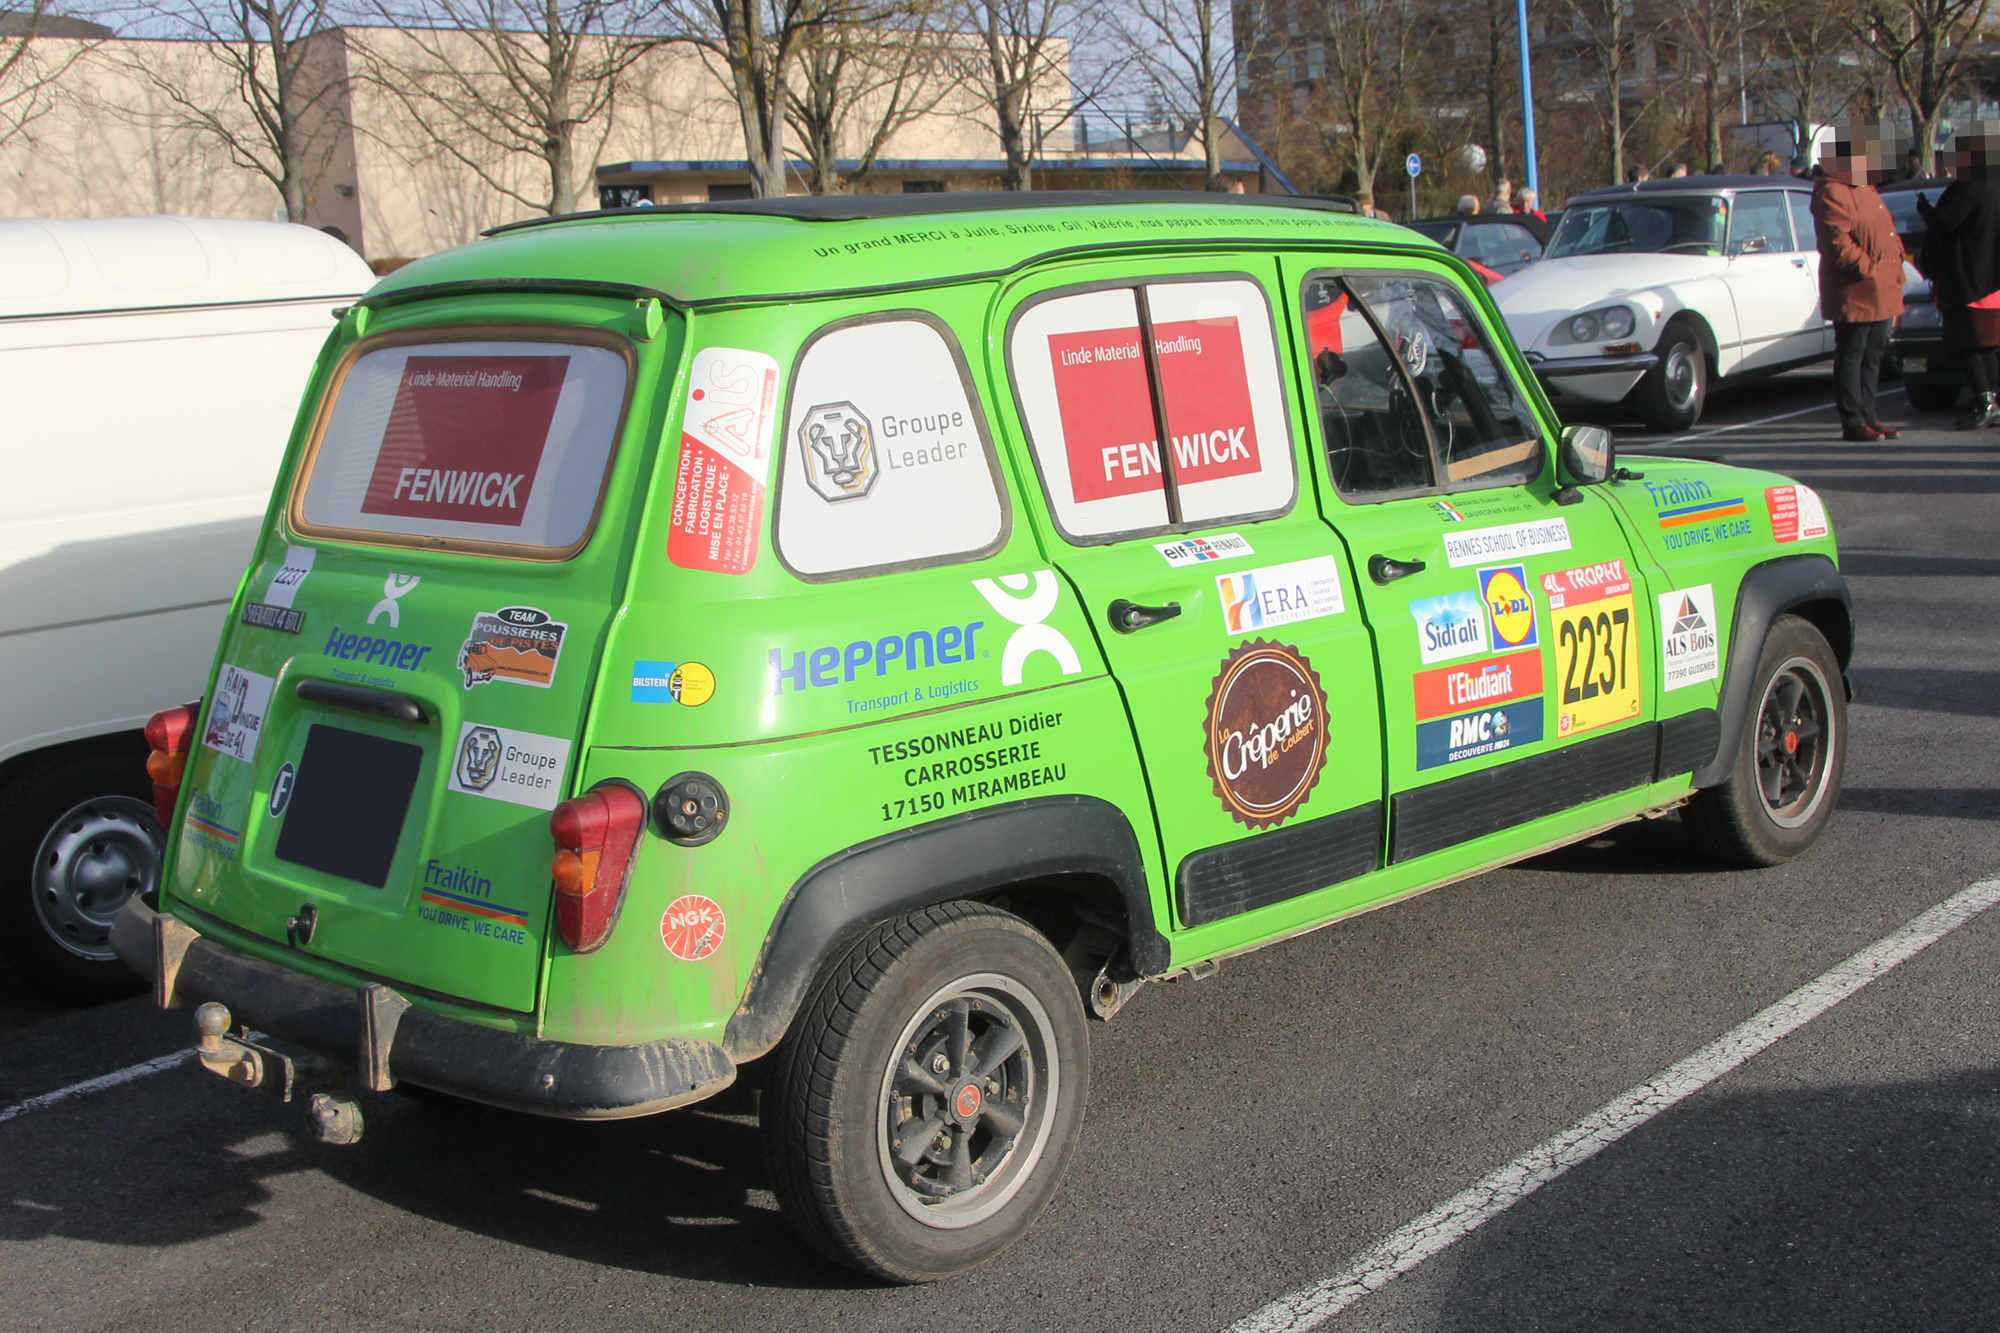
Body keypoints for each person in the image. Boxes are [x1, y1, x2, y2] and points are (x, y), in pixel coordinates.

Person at [1811, 118, 1908, 441]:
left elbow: (1886, 230)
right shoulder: (1831, 190)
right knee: (1853, 352)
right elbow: (1837, 242)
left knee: (1874, 353)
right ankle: (1853, 420)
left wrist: (1894, 263)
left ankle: (1869, 415)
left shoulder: (1864, 185)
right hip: (1856, 289)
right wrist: (1867, 268)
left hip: (1882, 286)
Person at [1917, 122, 2000, 427]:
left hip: (1968, 278)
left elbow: (1945, 221)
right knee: (1987, 345)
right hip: (1991, 279)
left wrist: (1925, 210)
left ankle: (1984, 402)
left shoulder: (1968, 185)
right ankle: (1992, 401)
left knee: (1966, 345)